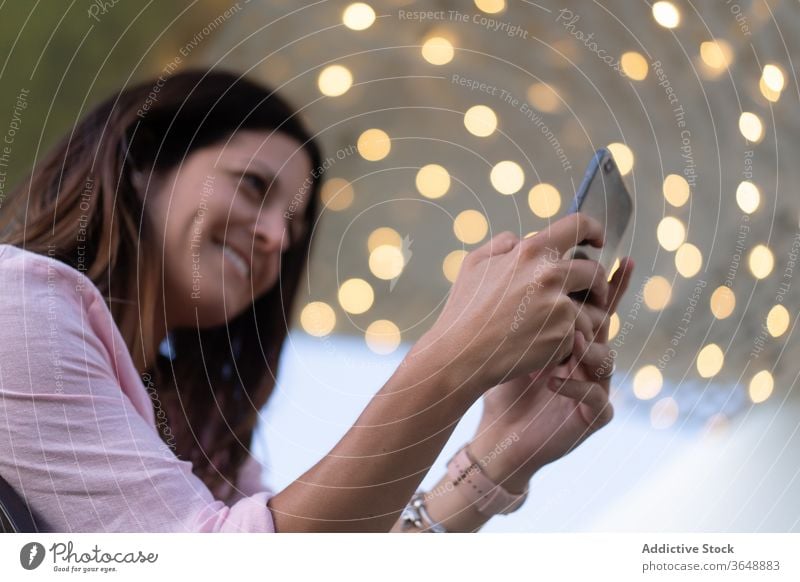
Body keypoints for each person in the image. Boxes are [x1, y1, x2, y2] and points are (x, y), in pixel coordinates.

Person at [0, 69, 634, 532]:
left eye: (294, 230)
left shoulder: (204, 432)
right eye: (252, 188)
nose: (276, 237)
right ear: (144, 160)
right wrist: (455, 359)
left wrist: (495, 461)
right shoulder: (17, 301)